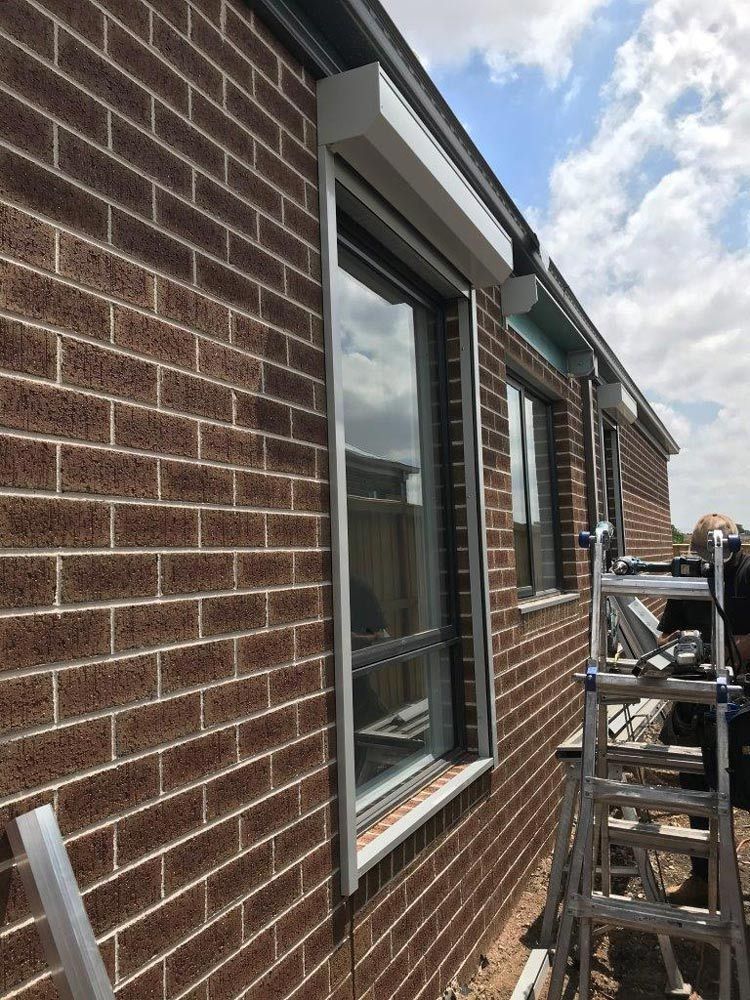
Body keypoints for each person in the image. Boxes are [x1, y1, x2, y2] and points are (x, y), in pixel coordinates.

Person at [657, 512, 750, 906]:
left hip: (742, 695)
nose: (708, 564)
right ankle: (703, 877)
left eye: (714, 555)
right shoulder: (691, 574)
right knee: (695, 780)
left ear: (731, 548)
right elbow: (670, 631)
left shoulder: (746, 573)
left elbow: (747, 642)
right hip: (697, 694)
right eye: (700, 556)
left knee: (744, 782)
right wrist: (683, 648)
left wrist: (724, 656)